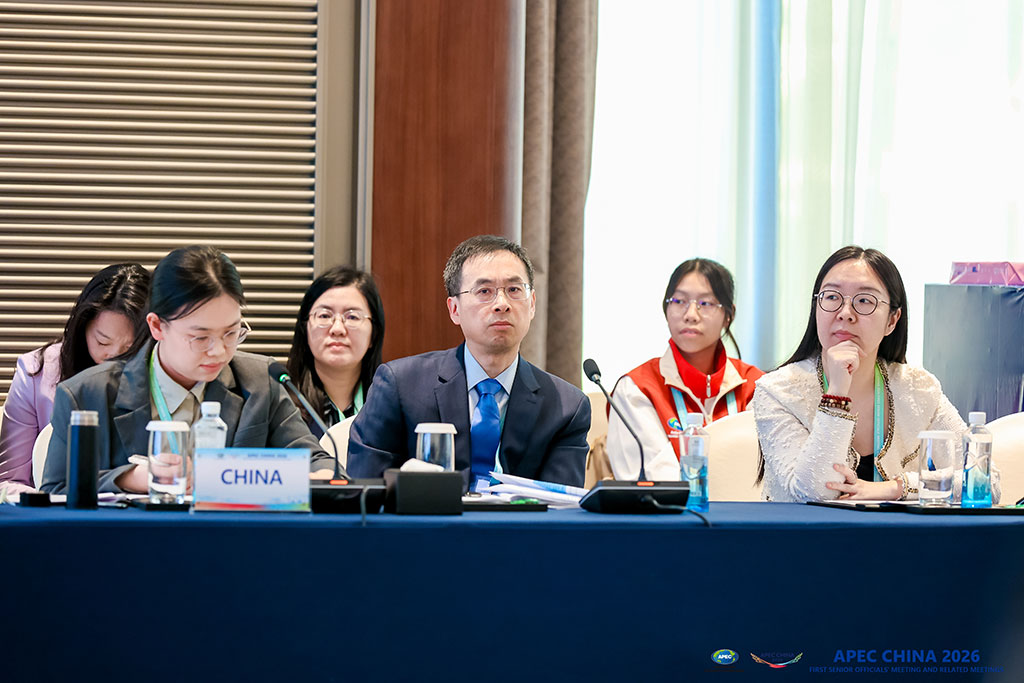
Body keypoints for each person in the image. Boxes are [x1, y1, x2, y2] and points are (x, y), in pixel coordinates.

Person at [39, 246, 335, 494]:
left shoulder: (260, 383)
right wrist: (131, 478)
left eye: (231, 333)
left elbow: (321, 466)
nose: (219, 351)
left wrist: (292, 478)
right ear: (157, 326)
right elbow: (56, 490)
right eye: (201, 338)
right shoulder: (88, 394)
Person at [753, 245, 999, 503]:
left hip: (896, 531)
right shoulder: (778, 391)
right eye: (832, 297)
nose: (845, 313)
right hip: (805, 530)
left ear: (892, 320)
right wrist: (837, 393)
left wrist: (896, 488)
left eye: (864, 301)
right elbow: (814, 494)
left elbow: (986, 482)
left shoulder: (918, 390)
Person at [347, 235, 591, 489]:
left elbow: (561, 507)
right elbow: (366, 488)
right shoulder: (401, 385)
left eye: (514, 290)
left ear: (532, 305)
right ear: (454, 309)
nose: (502, 304)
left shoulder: (566, 407)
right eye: (484, 291)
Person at [606, 258, 764, 480]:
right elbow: (653, 480)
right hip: (669, 504)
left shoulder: (755, 386)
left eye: (706, 303)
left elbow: (767, 474)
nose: (690, 315)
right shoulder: (638, 388)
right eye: (679, 301)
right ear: (666, 309)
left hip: (746, 503)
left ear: (728, 316)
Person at [0, 263, 150, 492]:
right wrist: (49, 503)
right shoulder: (36, 373)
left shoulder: (161, 376)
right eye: (102, 342)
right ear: (82, 327)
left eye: (130, 349)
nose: (113, 357)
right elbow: (9, 482)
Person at [286, 266, 385, 438]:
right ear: (305, 328)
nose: (337, 329)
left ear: (373, 334)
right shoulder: (281, 404)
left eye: (352, 317)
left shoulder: (390, 406)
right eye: (324, 316)